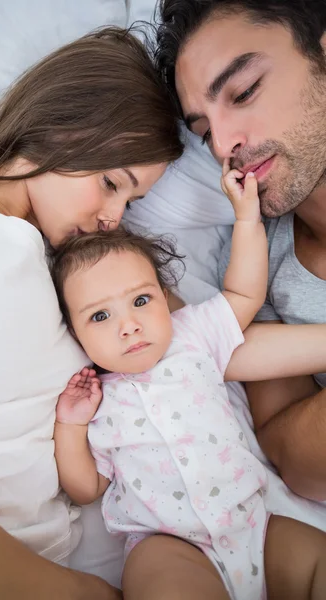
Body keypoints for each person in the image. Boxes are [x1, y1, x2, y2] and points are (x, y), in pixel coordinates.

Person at [0, 26, 183, 599]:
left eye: (132, 201)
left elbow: (206, 328)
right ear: (64, 123)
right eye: (112, 183)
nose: (115, 216)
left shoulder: (86, 281)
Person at [51, 162, 326, 600]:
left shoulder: (193, 333)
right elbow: (86, 490)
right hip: (166, 542)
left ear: (164, 298)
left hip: (253, 524)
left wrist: (247, 219)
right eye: (100, 316)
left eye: (141, 300)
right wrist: (70, 425)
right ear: (75, 334)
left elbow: (244, 294)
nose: (130, 325)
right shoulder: (100, 400)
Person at [155, 0, 326, 501]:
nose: (225, 144)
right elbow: (295, 460)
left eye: (244, 91)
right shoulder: (255, 266)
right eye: (204, 131)